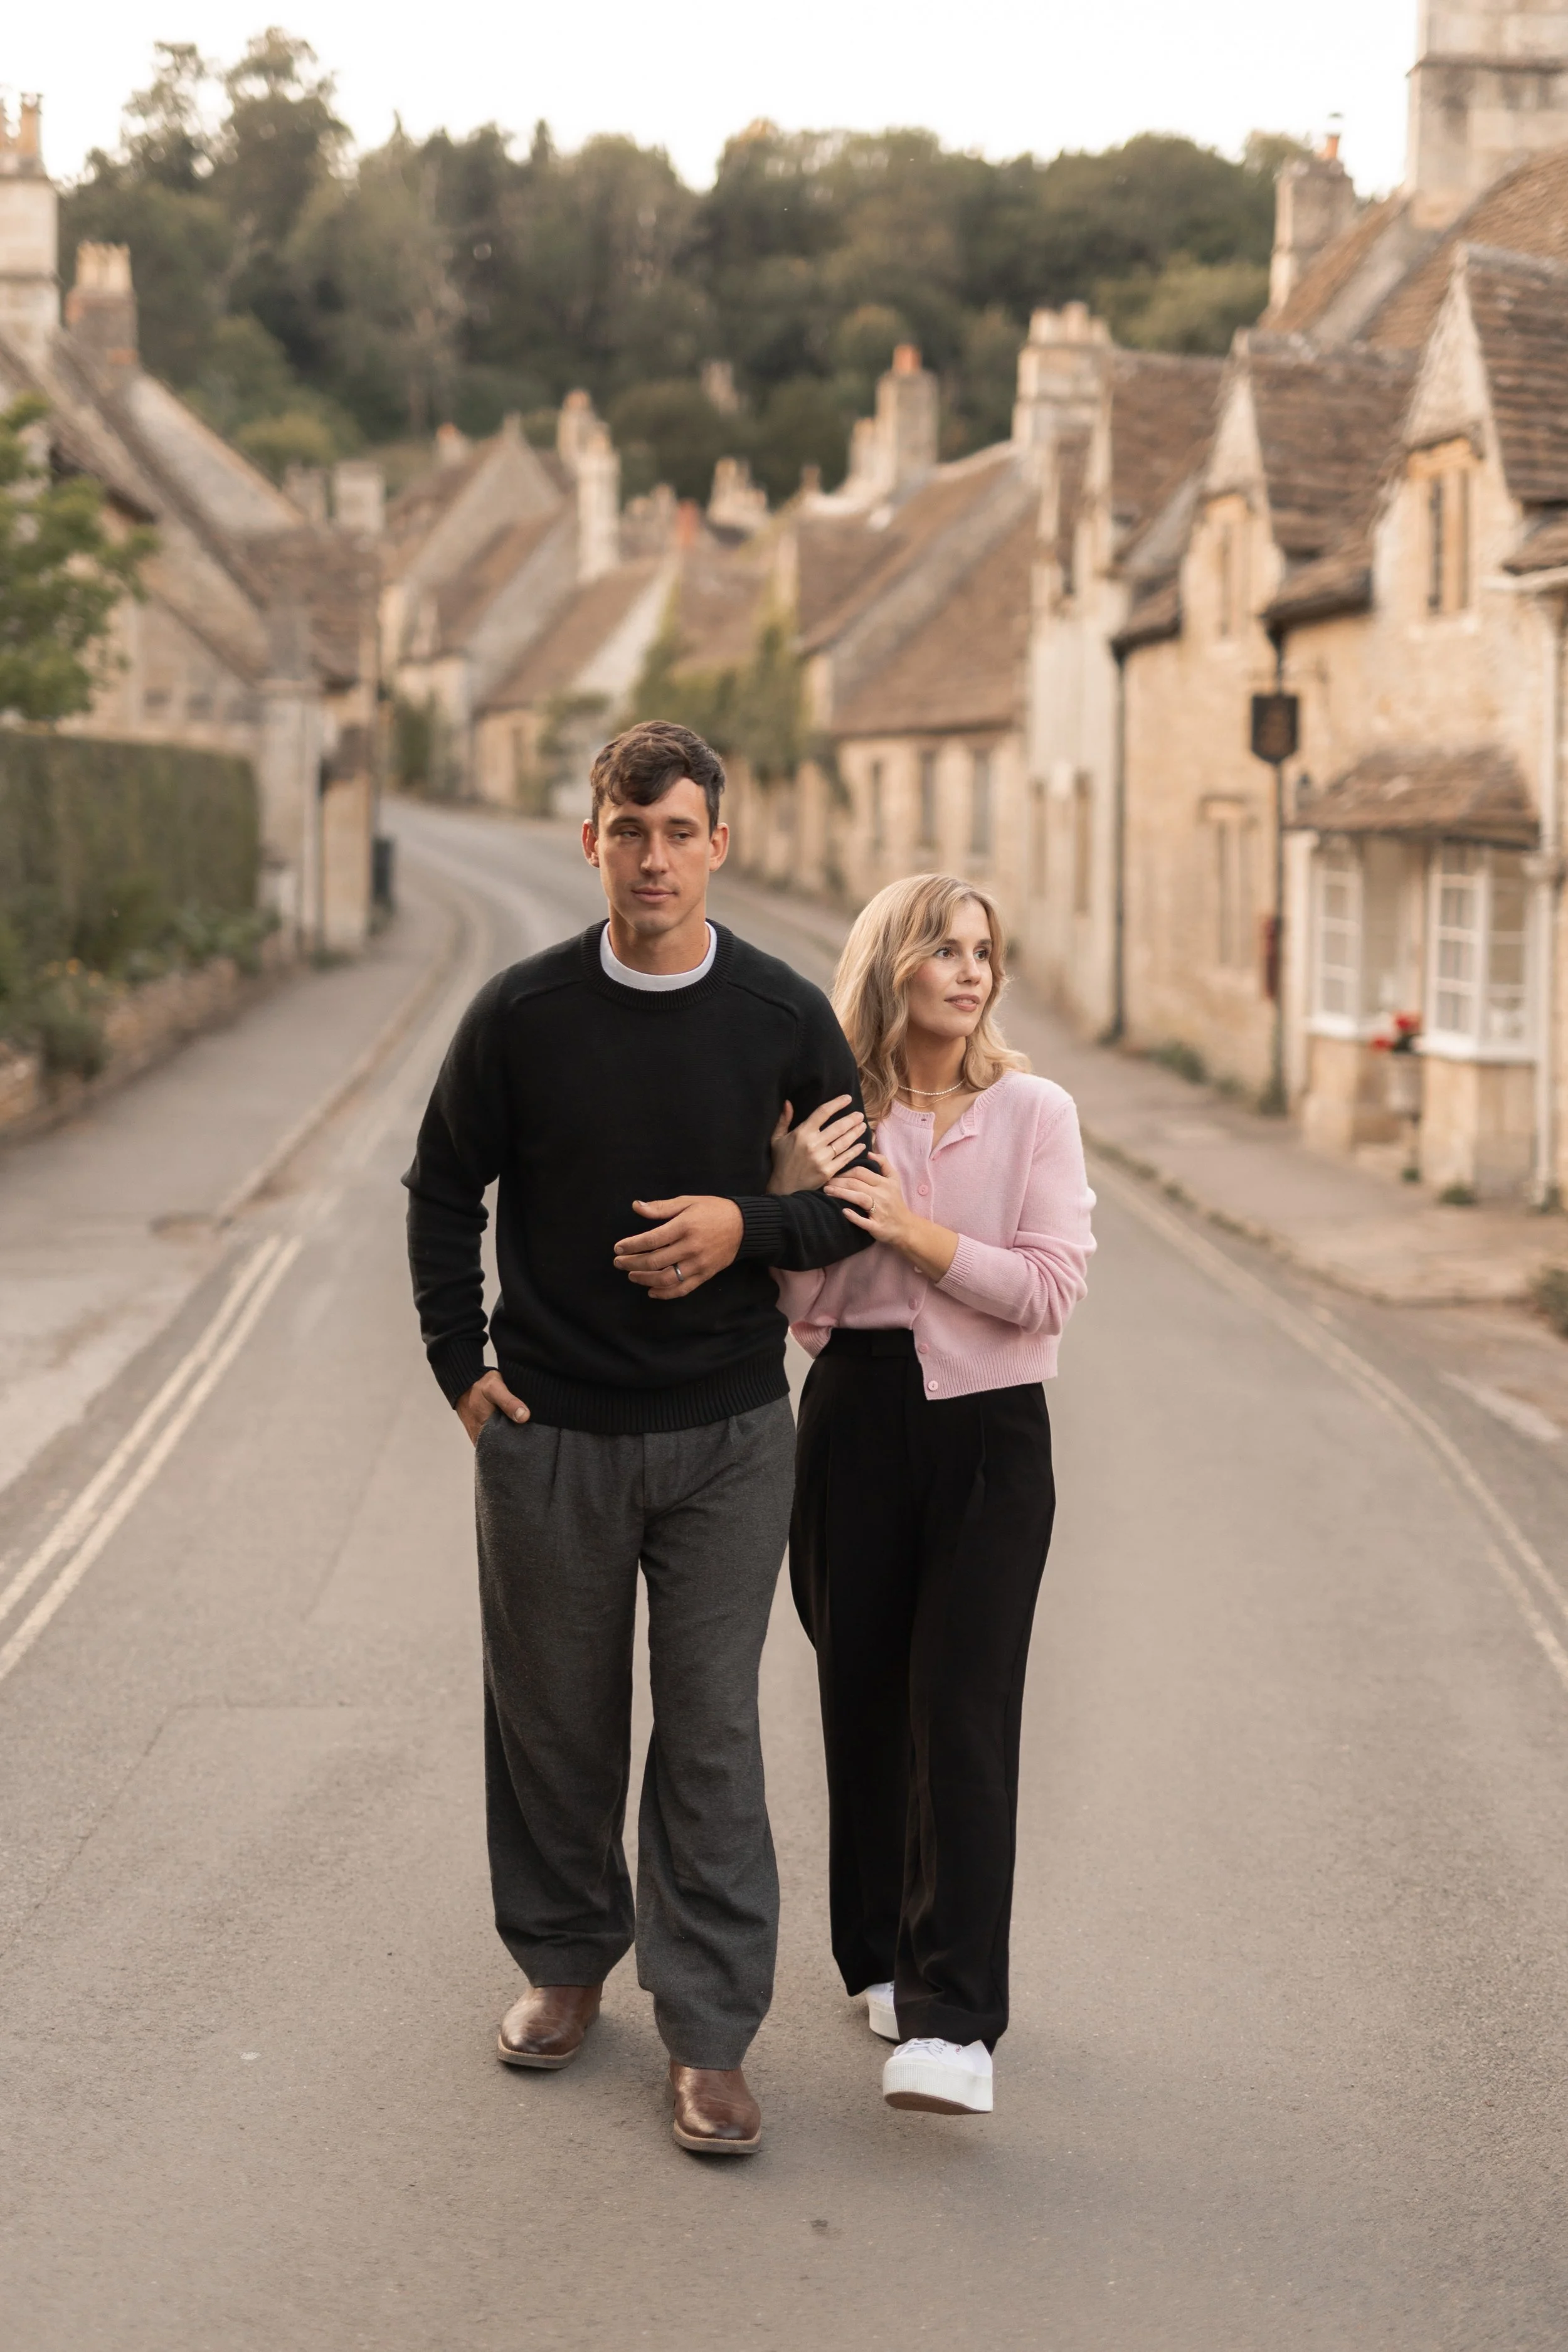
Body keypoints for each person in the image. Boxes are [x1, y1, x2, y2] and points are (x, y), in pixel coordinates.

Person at [403, 721, 870, 2156]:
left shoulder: (784, 1014)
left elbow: (857, 1202)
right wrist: (458, 1369)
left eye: (678, 831)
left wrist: (746, 1225)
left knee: (712, 1736)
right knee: (552, 1717)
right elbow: (440, 1191)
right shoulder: (521, 1014)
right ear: (589, 840)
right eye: (628, 828)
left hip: (729, 1433)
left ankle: (711, 2036)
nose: (653, 856)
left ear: (716, 844)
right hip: (551, 1432)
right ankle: (559, 1966)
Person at [770, 871, 1094, 2117]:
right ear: (890, 965)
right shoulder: (831, 1119)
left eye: (982, 953)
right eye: (942, 950)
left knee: (958, 1712)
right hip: (853, 1417)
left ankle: (957, 2023)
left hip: (988, 1440)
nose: (968, 972)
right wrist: (797, 1194)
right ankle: (880, 1955)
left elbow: (1049, 1289)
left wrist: (913, 1236)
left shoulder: (1032, 1113)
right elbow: (798, 1315)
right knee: (860, 1699)